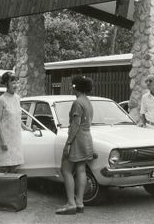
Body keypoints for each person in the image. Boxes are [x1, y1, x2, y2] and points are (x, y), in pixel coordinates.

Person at [56, 76, 94, 215]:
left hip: (77, 138)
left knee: (65, 169)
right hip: (86, 137)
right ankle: (80, 202)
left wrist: (69, 143)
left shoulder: (77, 103)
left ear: (77, 87)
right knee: (81, 169)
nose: (72, 89)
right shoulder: (88, 101)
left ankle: (71, 203)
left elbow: (75, 124)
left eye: (73, 86)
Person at [0, 71, 33, 174]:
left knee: (15, 168)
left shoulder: (17, 98)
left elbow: (17, 117)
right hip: (5, 139)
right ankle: (0, 189)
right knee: (4, 168)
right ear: (6, 84)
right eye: (13, 83)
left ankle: (12, 190)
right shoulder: (1, 100)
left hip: (16, 139)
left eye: (17, 82)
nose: (15, 85)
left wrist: (27, 128)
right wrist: (3, 141)